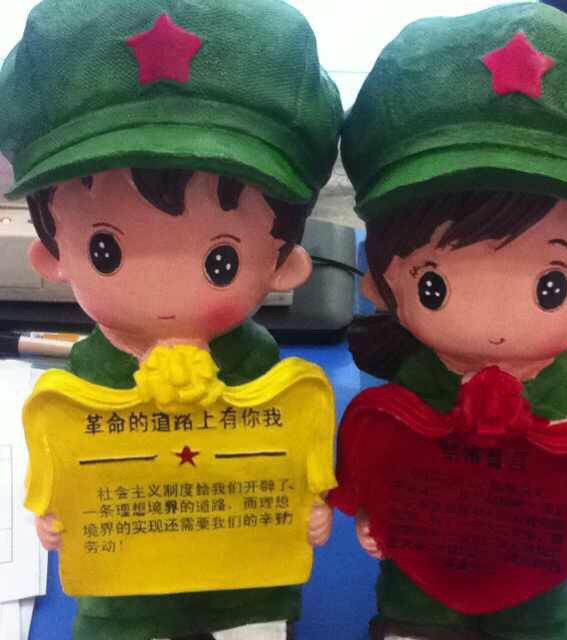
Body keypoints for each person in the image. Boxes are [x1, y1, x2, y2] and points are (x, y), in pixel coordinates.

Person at [0, 0, 342, 639]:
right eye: (106, 251)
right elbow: (68, 464)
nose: (163, 291)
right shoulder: (84, 375)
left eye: (221, 261)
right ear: (51, 257)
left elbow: (285, 453)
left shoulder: (258, 362)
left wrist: (307, 505)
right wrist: (56, 518)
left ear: (285, 264)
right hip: (126, 588)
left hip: (240, 577)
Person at [334, 4, 567, 639]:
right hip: (421, 573)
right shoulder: (416, 376)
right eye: (435, 285)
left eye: (551, 286)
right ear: (379, 282)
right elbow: (385, 457)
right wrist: (372, 514)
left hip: (537, 570)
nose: (495, 322)